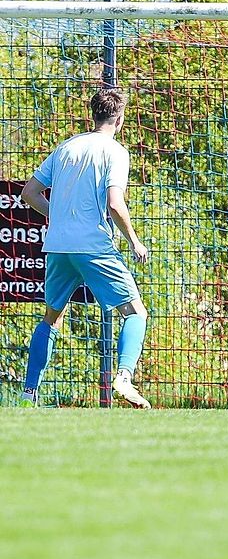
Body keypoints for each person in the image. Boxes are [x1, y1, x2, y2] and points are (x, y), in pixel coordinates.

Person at [18, 88, 151, 408]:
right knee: (136, 313)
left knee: (51, 318)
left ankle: (28, 392)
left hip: (59, 246)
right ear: (119, 119)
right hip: (93, 245)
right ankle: (124, 376)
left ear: (94, 115)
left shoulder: (66, 147)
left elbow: (29, 193)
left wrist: (61, 216)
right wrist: (134, 240)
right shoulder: (115, 151)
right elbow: (115, 204)